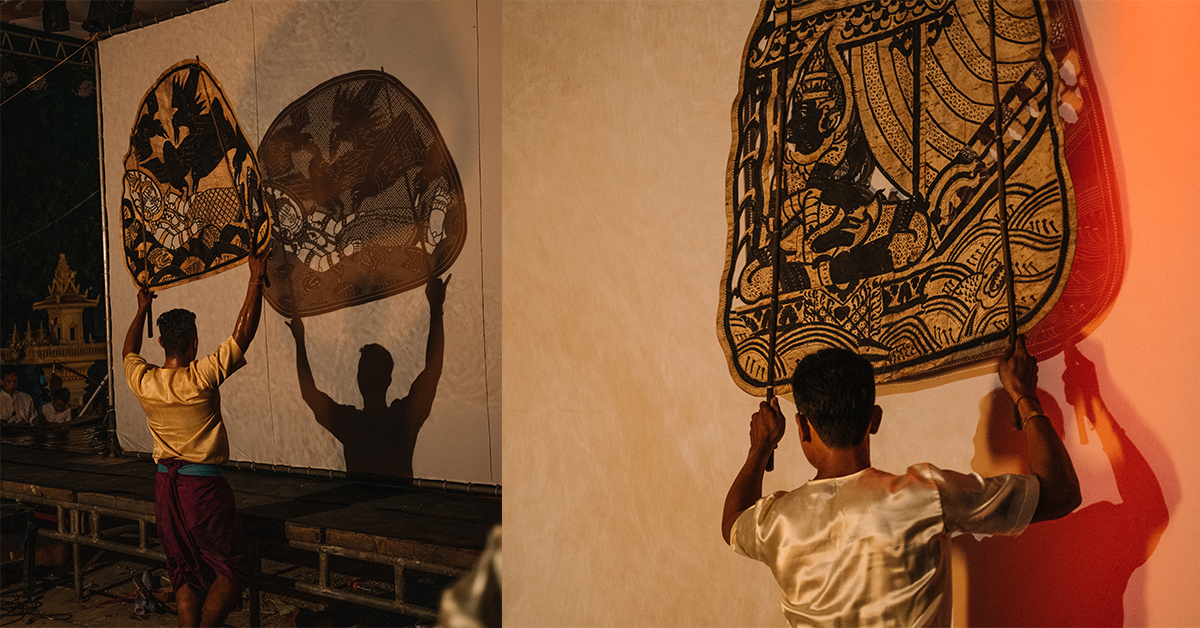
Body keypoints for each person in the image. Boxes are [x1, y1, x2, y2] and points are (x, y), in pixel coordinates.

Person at [722, 337, 1081, 627]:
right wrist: (1024, 397)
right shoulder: (924, 494)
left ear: (801, 427)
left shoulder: (777, 522)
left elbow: (732, 524)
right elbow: (1061, 492)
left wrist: (761, 447)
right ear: (875, 419)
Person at [122, 244, 270, 628]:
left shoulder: (144, 380)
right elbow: (242, 335)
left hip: (165, 489)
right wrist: (255, 279)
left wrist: (141, 308)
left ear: (160, 343)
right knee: (232, 567)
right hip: (202, 492)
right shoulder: (200, 378)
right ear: (195, 343)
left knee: (184, 569)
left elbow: (128, 351)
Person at [286, 274, 448, 478]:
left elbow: (309, 394)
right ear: (389, 379)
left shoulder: (352, 424)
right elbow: (433, 370)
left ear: (359, 380)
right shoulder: (402, 419)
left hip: (360, 497)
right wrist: (436, 309)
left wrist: (299, 341)